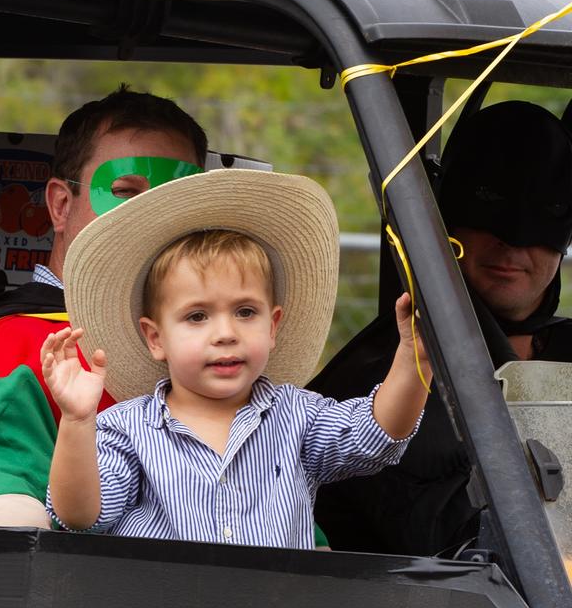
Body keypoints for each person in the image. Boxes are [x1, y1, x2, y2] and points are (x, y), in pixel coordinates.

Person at [41, 168, 430, 548]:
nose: (226, 333)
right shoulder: (126, 431)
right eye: (197, 316)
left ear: (273, 326)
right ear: (156, 338)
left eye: (245, 312)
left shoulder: (297, 417)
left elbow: (378, 434)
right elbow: (80, 516)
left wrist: (415, 358)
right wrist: (77, 421)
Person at [0, 85, 208, 526]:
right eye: (126, 191)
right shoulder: (6, 347)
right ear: (61, 205)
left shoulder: (216, 348)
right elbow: (1, 527)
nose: (154, 216)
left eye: (176, 196)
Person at [312, 100, 572, 557]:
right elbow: (475, 553)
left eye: (546, 209)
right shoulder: (393, 380)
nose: (510, 240)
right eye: (488, 200)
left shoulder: (564, 344)